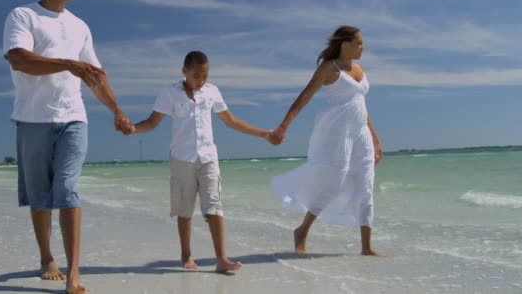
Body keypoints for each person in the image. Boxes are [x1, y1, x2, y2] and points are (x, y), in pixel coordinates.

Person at [2, 0, 133, 294]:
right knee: (40, 196)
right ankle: (47, 258)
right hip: (33, 119)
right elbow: (18, 58)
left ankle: (73, 273)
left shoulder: (80, 26)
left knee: (68, 189)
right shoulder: (23, 15)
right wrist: (68, 63)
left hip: (74, 117)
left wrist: (116, 110)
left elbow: (95, 76)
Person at [126, 51, 276, 272]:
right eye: (196, 76)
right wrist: (133, 129)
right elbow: (151, 122)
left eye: (205, 76)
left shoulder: (212, 92)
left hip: (208, 157)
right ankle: (186, 255)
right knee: (184, 211)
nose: (201, 81)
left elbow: (231, 121)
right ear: (184, 71)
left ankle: (221, 259)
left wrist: (264, 134)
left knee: (214, 206)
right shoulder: (169, 93)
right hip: (181, 157)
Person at [268, 25, 384, 256]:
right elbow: (306, 95)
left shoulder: (359, 69)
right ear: (345, 43)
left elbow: (361, 106)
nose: (363, 47)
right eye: (359, 42)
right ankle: (302, 230)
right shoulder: (330, 68)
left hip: (361, 134)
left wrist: (375, 139)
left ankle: (366, 247)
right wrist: (283, 125)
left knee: (366, 186)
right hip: (337, 132)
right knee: (334, 183)